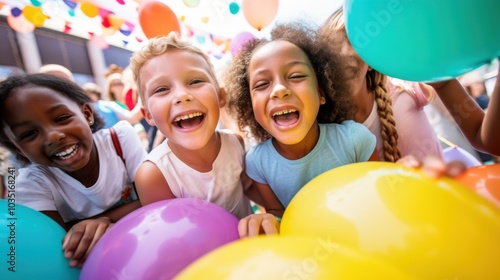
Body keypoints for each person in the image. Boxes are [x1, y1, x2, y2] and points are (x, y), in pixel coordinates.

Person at [222, 22, 380, 237]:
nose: (279, 90)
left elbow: (381, 194)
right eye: (261, 84)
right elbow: (279, 215)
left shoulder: (354, 139)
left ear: (322, 93)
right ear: (251, 107)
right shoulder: (258, 162)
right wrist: (267, 222)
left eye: (296, 76)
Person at [0, 74, 147, 267]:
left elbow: (155, 199)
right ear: (18, 148)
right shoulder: (30, 183)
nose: (53, 136)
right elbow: (56, 246)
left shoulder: (119, 139)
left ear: (87, 114)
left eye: (62, 118)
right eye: (29, 133)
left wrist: (101, 221)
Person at [129, 32, 259, 219]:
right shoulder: (154, 175)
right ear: (148, 115)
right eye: (162, 89)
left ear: (221, 96)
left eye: (196, 81)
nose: (182, 95)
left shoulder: (235, 143)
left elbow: (250, 189)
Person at [318, 8, 443, 162]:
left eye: (355, 41)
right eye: (334, 46)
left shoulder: (403, 89)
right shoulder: (329, 129)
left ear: (372, 60)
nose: (344, 53)